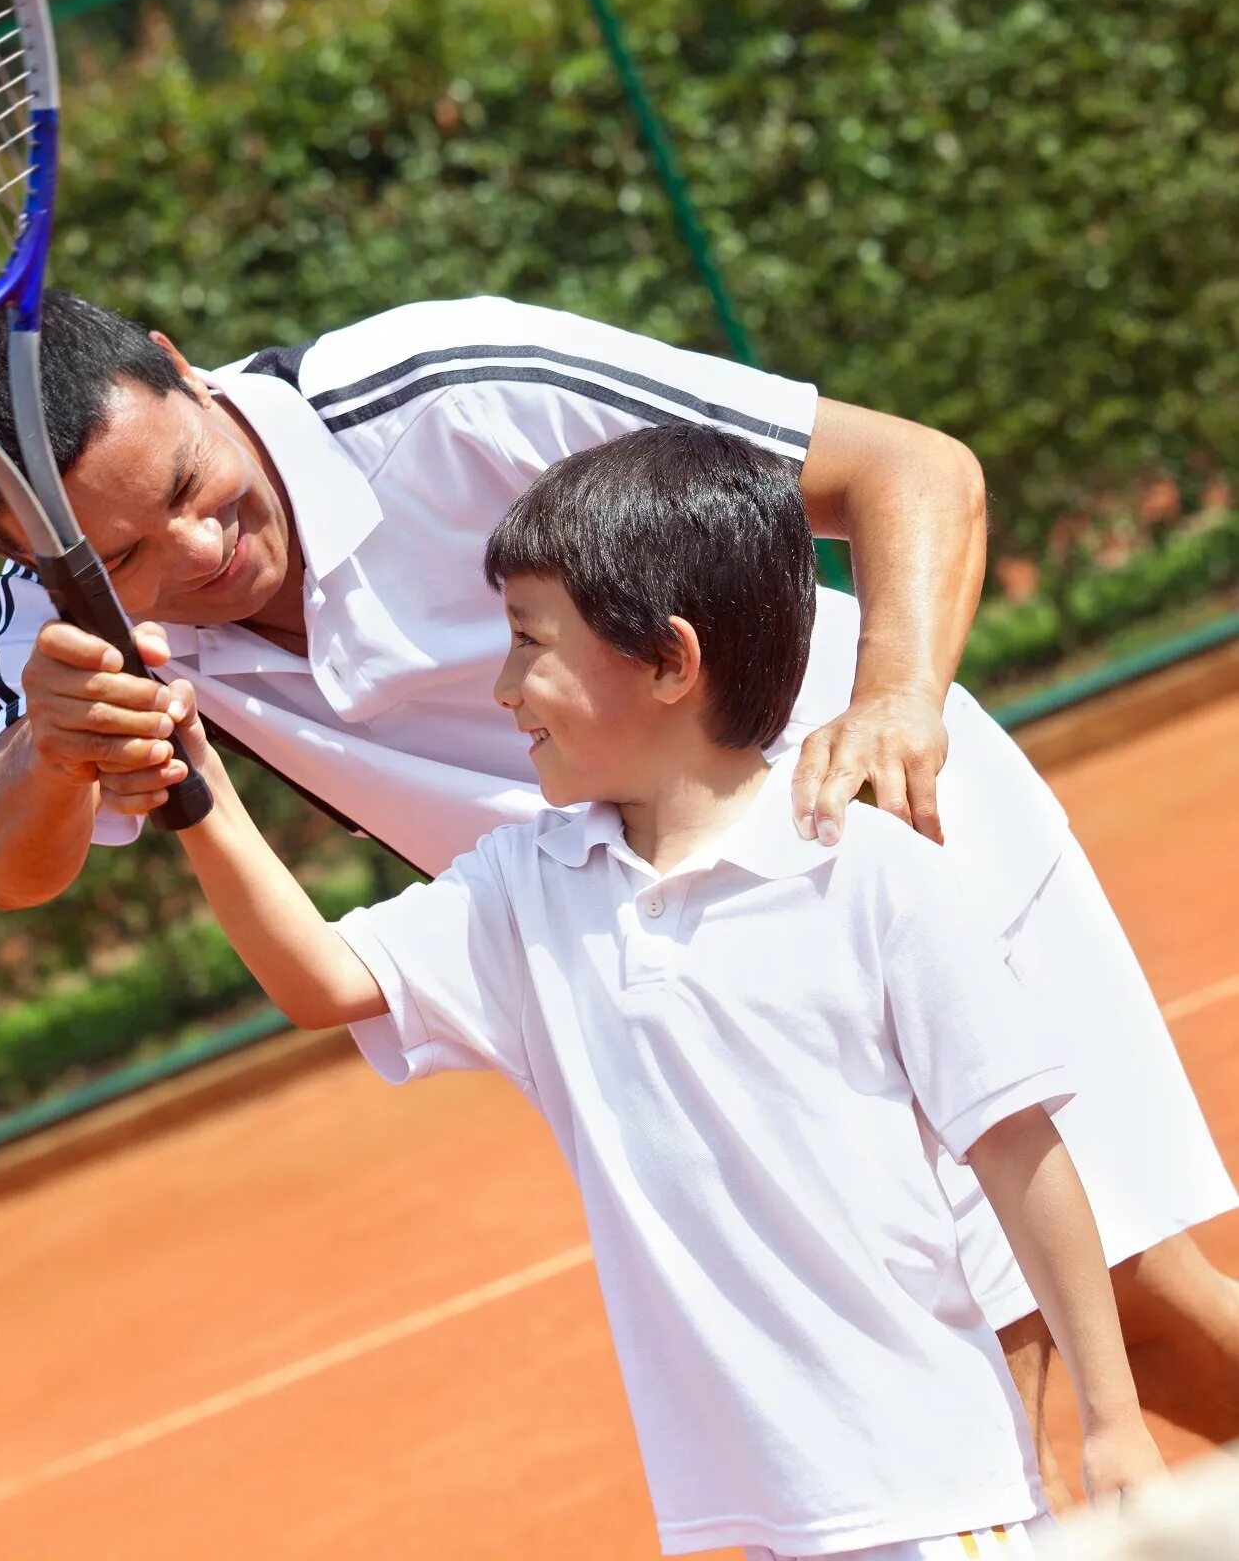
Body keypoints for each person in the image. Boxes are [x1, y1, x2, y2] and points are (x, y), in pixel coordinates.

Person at [0, 291, 1239, 1500]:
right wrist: (52, 747)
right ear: (35, 562)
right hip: (662, 958)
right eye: (130, 554)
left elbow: (908, 469)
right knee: (1137, 1329)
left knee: (974, 1359)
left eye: (200, 489)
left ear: (186, 371)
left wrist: (895, 705)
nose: (200, 552)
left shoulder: (447, 385)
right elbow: (11, 863)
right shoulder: (57, 632)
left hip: (879, 828)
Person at [166, 422, 1165, 1557]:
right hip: (763, 1520)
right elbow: (324, 978)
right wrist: (198, 793)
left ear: (666, 661)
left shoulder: (865, 870)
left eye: (526, 642)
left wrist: (1113, 1419)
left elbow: (1016, 1150)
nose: (500, 688)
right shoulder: (525, 886)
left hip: (936, 1501)